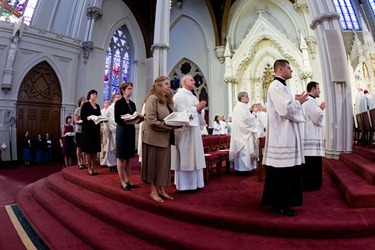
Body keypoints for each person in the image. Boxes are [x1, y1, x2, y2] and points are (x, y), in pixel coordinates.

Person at [261, 59, 308, 217]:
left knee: (285, 171)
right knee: (283, 171)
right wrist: (298, 102)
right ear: (280, 69)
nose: (291, 70)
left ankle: (281, 202)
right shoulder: (276, 86)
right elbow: (285, 109)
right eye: (289, 68)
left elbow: (286, 105)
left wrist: (295, 100)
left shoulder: (281, 86)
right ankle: (280, 205)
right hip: (282, 135)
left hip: (285, 133)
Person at [142, 76, 179, 202]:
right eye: (166, 84)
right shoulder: (152, 99)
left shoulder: (167, 100)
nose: (169, 86)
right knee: (153, 165)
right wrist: (170, 127)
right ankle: (153, 191)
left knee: (163, 165)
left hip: (165, 137)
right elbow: (152, 120)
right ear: (159, 85)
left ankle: (162, 190)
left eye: (169, 84)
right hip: (153, 137)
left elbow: (171, 116)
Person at [171, 74, 207, 191]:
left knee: (195, 156)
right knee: (186, 157)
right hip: (185, 132)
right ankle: (185, 185)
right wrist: (195, 109)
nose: (194, 82)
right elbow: (180, 115)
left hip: (194, 132)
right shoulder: (178, 96)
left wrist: (200, 111)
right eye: (191, 80)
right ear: (184, 82)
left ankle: (196, 183)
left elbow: (198, 113)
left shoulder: (193, 96)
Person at [115, 82, 143, 190]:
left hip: (130, 130)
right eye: (128, 89)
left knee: (128, 158)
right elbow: (117, 119)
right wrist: (127, 120)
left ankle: (129, 180)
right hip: (122, 130)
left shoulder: (132, 104)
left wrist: (138, 119)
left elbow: (134, 116)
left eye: (131, 89)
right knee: (121, 157)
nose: (130, 91)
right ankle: (122, 182)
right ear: (123, 90)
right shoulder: (119, 103)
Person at [229, 92, 262, 174]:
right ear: (242, 98)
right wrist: (253, 116)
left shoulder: (240, 106)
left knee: (244, 151)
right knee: (244, 151)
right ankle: (243, 169)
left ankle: (242, 168)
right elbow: (245, 119)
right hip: (243, 133)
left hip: (242, 132)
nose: (248, 98)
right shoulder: (241, 107)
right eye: (246, 96)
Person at [301, 81, 325, 191]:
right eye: (318, 88)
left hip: (310, 134)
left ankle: (312, 183)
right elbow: (317, 117)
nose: (320, 90)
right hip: (311, 135)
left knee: (311, 161)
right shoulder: (310, 101)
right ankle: (311, 184)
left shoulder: (309, 101)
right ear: (313, 89)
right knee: (311, 161)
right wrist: (321, 109)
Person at [81, 90, 101, 175]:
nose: (95, 95)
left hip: (96, 130)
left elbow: (99, 116)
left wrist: (101, 119)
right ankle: (89, 168)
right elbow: (82, 117)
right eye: (93, 94)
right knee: (88, 150)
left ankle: (93, 168)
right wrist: (89, 117)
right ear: (89, 95)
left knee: (95, 150)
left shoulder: (97, 106)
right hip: (87, 130)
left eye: (96, 94)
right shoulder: (85, 105)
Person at [105, 93, 121, 172]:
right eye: (117, 97)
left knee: (118, 148)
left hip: (120, 130)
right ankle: (112, 165)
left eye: (119, 97)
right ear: (113, 99)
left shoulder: (121, 106)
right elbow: (108, 119)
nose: (119, 99)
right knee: (112, 149)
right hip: (113, 130)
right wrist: (115, 126)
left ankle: (119, 165)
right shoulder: (110, 108)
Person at [74, 97, 87, 169]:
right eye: (83, 101)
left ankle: (84, 161)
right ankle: (79, 162)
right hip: (79, 130)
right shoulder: (77, 110)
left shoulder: (86, 110)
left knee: (84, 147)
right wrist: (82, 121)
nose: (84, 102)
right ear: (80, 102)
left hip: (85, 130)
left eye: (85, 101)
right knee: (79, 147)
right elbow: (76, 121)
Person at [100, 100, 111, 167]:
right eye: (106, 103)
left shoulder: (110, 111)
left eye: (108, 103)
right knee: (102, 146)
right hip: (102, 129)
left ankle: (107, 161)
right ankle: (102, 162)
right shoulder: (101, 111)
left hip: (109, 129)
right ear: (104, 104)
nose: (107, 104)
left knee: (108, 146)